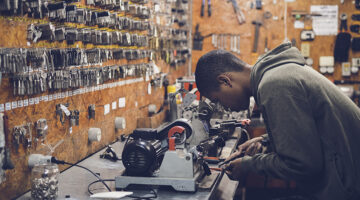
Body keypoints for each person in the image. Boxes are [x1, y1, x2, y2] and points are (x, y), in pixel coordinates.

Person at [194, 43, 360, 200]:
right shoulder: (277, 74)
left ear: (225, 81)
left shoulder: (274, 85)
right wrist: (266, 141)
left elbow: (303, 165)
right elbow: (306, 131)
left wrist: (248, 166)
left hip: (349, 188)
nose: (223, 108)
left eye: (217, 100)